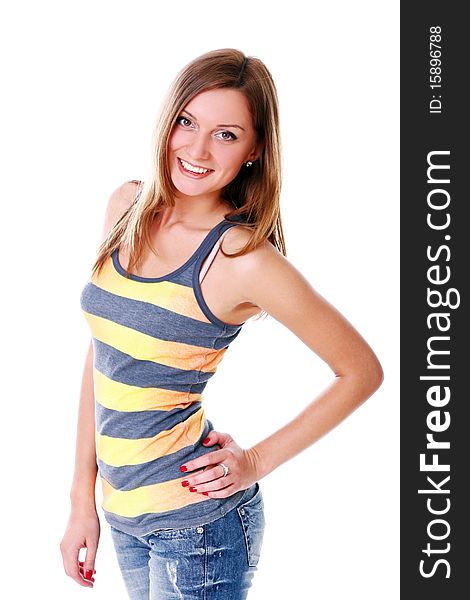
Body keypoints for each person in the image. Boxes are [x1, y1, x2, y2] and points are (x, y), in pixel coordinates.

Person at [60, 48, 384, 599]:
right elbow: (106, 352)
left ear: (255, 149)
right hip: (124, 518)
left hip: (199, 528)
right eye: (186, 121)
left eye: (226, 134)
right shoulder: (126, 207)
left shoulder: (244, 259)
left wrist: (254, 460)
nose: (197, 148)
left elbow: (361, 370)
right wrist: (80, 502)